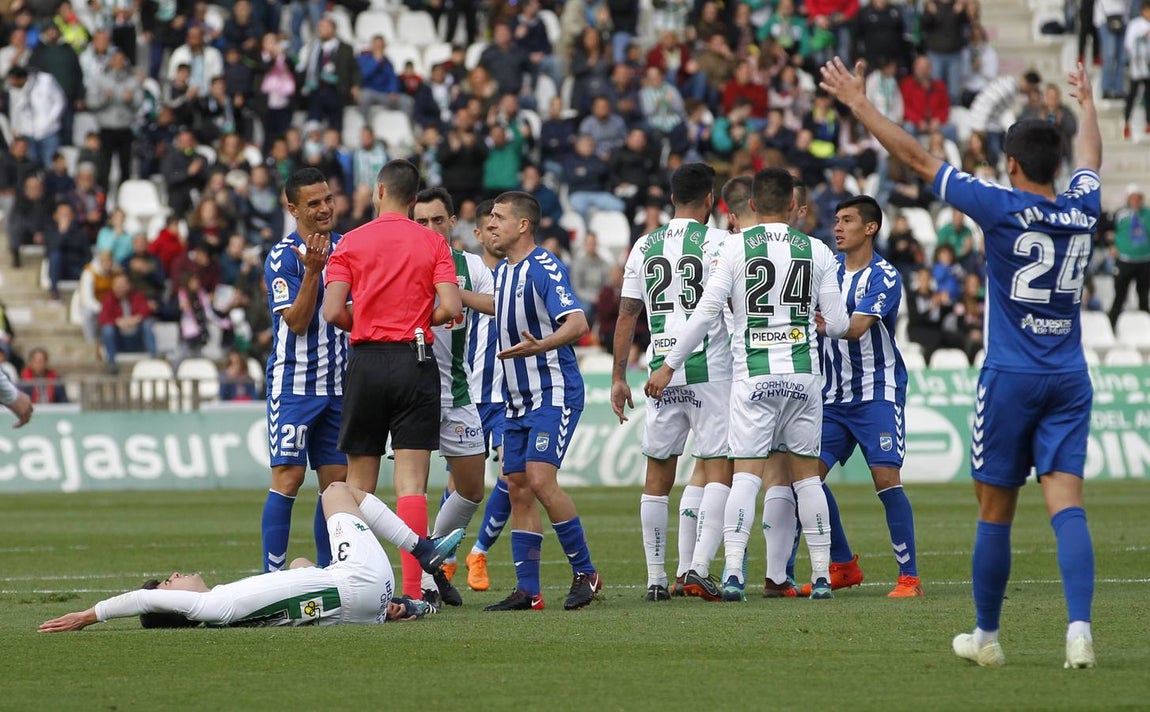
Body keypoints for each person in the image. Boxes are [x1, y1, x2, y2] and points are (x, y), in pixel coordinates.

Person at [821, 57, 1101, 669]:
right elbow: (1093, 166)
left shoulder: (999, 205)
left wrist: (859, 104)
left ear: (1011, 164)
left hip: (1010, 376)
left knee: (994, 511)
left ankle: (987, 637)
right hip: (1070, 376)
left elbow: (919, 161)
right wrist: (1091, 107)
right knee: (1067, 503)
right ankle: (1078, 631)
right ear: (1059, 164)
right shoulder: (1084, 206)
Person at [645, 168, 850, 600]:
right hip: (803, 376)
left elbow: (705, 314)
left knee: (746, 477)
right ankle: (822, 577)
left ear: (752, 206)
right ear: (795, 206)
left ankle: (735, 571)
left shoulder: (736, 248)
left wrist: (668, 365)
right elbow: (840, 322)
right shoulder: (818, 250)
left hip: (752, 377)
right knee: (806, 480)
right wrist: (813, 323)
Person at [38, 482, 465, 631]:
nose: (174, 575)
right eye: (169, 582)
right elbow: (143, 600)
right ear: (180, 607)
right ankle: (424, 550)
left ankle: (400, 608)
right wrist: (89, 615)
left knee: (299, 564)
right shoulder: (211, 606)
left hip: (359, 607)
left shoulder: (226, 603)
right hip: (360, 581)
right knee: (337, 490)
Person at [322, 160, 462, 603]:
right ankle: (412, 591)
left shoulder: (351, 242)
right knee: (411, 484)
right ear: (415, 199)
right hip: (413, 360)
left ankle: (357, 586)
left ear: (379, 190)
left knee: (359, 486)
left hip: (365, 361)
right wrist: (419, 319)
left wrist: (361, 321)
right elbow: (452, 307)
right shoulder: (433, 242)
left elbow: (330, 312)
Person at [610, 163, 734, 602]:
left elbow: (627, 313)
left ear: (670, 198)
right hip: (710, 371)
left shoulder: (646, 244)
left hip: (659, 373)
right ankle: (699, 567)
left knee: (657, 476)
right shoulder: (721, 241)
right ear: (710, 200)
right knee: (720, 467)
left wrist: (618, 376)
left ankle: (656, 579)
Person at [482, 191, 602, 611]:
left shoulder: (544, 267)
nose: (491, 224)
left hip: (552, 392)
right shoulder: (503, 273)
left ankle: (586, 572)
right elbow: (498, 307)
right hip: (515, 398)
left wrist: (542, 346)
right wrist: (453, 297)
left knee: (539, 479)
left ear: (523, 225)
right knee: (517, 487)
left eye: (498, 217)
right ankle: (528, 590)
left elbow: (578, 322)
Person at [806, 195, 921, 599]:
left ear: (870, 228)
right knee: (806, 479)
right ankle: (842, 565)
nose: (837, 227)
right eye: (836, 220)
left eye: (848, 220)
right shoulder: (827, 270)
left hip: (877, 393)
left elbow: (854, 328)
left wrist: (810, 324)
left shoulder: (884, 276)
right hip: (832, 396)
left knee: (885, 478)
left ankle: (909, 577)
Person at [411, 187, 495, 607]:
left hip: (456, 390)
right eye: (421, 221)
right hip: (411, 390)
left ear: (451, 223)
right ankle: (423, 581)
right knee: (415, 487)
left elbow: (499, 304)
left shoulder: (470, 265)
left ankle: (431, 559)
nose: (430, 228)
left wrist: (453, 294)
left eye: (437, 220)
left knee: (472, 487)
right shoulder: (401, 262)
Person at [262, 168, 349, 574]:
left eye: (327, 198)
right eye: (313, 203)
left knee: (335, 487)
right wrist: (313, 270)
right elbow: (295, 323)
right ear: (292, 207)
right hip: (296, 384)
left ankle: (330, 574)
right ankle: (272, 576)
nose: (324, 208)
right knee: (289, 477)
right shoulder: (282, 257)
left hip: (340, 385)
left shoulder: (349, 248)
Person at [460, 200, 511, 593]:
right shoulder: (464, 273)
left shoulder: (523, 271)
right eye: (487, 227)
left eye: (500, 224)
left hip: (511, 393)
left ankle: (478, 552)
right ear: (478, 234)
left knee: (514, 475)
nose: (494, 231)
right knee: (461, 486)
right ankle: (443, 558)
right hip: (470, 391)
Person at [98, 273, 158, 374]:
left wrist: (135, 319)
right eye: (116, 285)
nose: (118, 288)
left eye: (121, 285)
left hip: (136, 338)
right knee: (107, 329)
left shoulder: (137, 296)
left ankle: (154, 357)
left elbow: (146, 310)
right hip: (120, 339)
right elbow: (103, 317)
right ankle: (111, 363)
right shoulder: (109, 298)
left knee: (147, 323)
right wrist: (118, 321)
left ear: (128, 286)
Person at [1108, 184, 1150, 327]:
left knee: (1143, 296)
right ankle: (1112, 326)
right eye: (1133, 198)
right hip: (1125, 260)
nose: (1136, 201)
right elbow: (1108, 231)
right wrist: (1112, 245)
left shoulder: (1148, 214)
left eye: (1138, 198)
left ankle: (1145, 328)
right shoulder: (1120, 214)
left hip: (1144, 260)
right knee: (1120, 296)